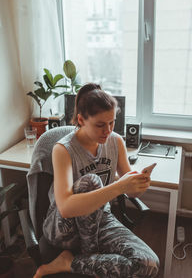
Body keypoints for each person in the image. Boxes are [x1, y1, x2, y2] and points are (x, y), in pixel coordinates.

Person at [34, 83, 159, 278]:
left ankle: (70, 263)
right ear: (82, 120)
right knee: (90, 182)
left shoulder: (116, 141)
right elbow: (65, 207)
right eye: (100, 125)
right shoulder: (63, 149)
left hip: (100, 219)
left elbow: (131, 191)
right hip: (63, 227)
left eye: (112, 122)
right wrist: (119, 186)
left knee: (149, 263)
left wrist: (138, 184)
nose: (108, 130)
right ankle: (90, 253)